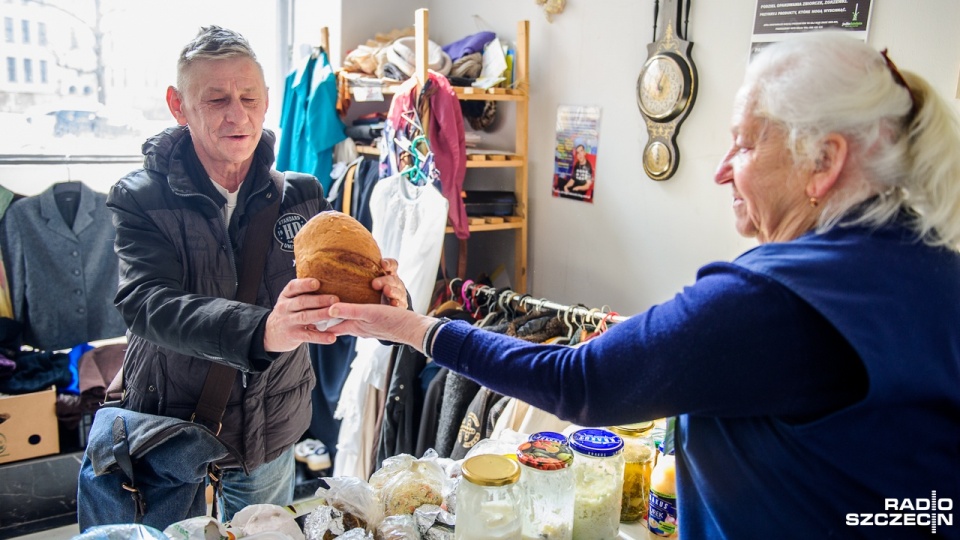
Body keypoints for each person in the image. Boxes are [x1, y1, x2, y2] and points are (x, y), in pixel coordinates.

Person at [321, 33, 960, 537]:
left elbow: (578, 383)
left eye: (742, 144)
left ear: (824, 162)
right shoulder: (934, 268)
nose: (719, 172)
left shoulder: (777, 299)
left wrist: (407, 326)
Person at [77, 26, 408, 528]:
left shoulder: (301, 193)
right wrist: (262, 331)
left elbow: (323, 308)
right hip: (172, 427)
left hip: (270, 431)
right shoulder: (140, 197)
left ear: (268, 100)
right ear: (178, 104)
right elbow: (146, 303)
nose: (239, 114)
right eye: (216, 99)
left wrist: (380, 307)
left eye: (250, 96)